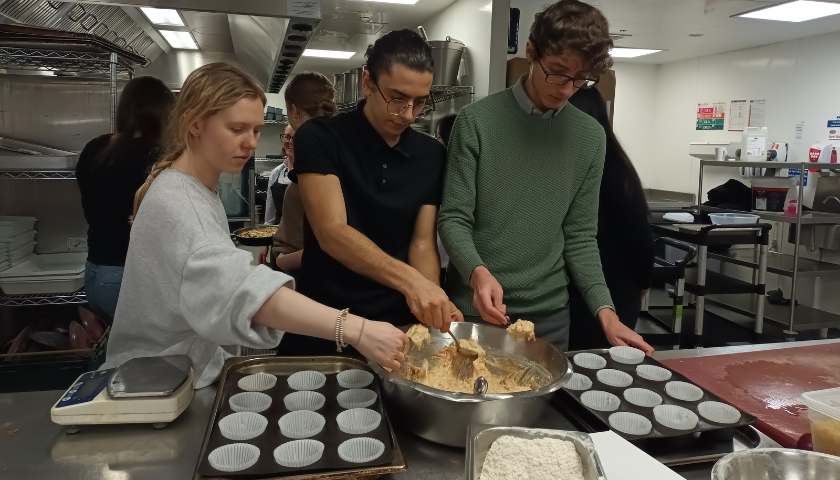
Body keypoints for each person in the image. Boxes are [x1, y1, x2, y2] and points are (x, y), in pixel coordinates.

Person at [103, 63, 407, 388]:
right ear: (194, 124)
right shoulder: (179, 203)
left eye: (257, 130)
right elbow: (244, 291)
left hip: (175, 373)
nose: (251, 143)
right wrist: (356, 329)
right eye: (237, 129)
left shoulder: (191, 187)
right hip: (152, 386)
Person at [438, 0, 653, 353]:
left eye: (580, 80)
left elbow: (580, 235)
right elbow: (454, 218)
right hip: (476, 311)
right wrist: (477, 272)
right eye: (556, 72)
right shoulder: (476, 122)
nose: (566, 89)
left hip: (550, 317)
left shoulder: (589, 136)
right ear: (531, 52)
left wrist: (606, 310)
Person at [277, 30, 463, 356]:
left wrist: (431, 298)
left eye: (419, 102)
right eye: (396, 98)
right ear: (367, 82)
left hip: (398, 327)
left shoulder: (430, 154)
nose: (407, 114)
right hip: (328, 322)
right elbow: (332, 231)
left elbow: (421, 242)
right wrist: (412, 282)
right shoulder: (320, 139)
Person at [76, 76, 175, 321]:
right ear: (163, 114)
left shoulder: (94, 148)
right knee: (146, 356)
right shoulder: (156, 157)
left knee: (119, 352)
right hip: (129, 276)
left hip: (94, 272)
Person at [567, 87, 654, 350]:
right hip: (610, 287)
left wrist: (640, 284)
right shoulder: (618, 163)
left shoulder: (606, 169)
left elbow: (637, 237)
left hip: (605, 289)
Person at [271, 72, 337, 273]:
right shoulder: (343, 151)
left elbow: (331, 248)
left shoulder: (312, 174)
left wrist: (279, 261)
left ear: (294, 110)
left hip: (313, 281)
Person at [263, 127, 293, 225]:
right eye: (287, 137)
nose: (290, 141)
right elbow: (269, 216)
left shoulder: (311, 173)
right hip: (279, 234)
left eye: (295, 137)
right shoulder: (276, 172)